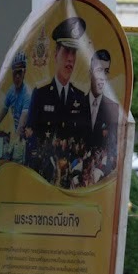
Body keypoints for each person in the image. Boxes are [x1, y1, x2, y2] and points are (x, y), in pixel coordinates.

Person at [26, 16, 91, 187]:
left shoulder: (80, 98)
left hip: (73, 179)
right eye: (66, 51)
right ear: (56, 54)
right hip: (45, 176)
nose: (70, 58)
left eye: (74, 52)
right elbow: (30, 137)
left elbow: (84, 141)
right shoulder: (40, 95)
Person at [85, 48, 120, 182]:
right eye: (99, 70)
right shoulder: (75, 104)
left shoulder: (113, 109)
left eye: (106, 72)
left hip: (101, 179)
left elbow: (114, 147)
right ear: (90, 72)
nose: (102, 78)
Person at [0, 51, 32, 163]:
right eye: (15, 73)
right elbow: (1, 115)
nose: (17, 77)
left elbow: (21, 124)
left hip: (26, 140)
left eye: (20, 73)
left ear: (24, 73)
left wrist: (10, 148)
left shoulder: (27, 94)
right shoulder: (11, 91)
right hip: (18, 138)